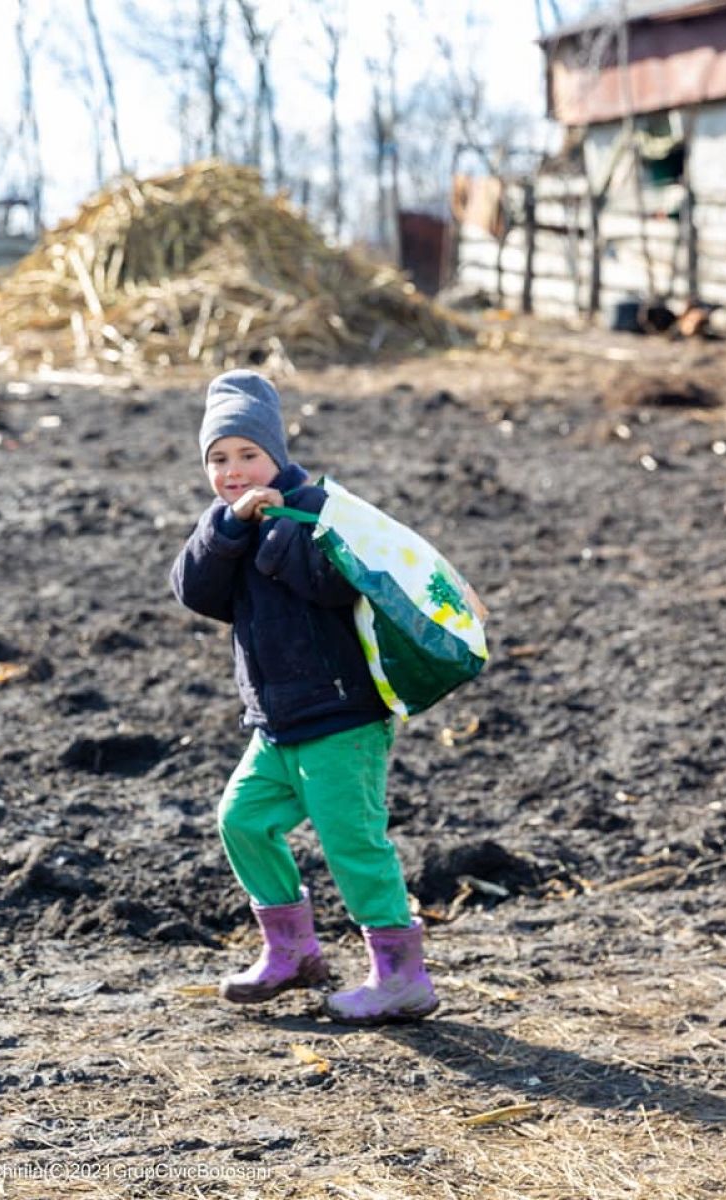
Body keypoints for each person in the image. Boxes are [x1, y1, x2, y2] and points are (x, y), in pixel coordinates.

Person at [170, 369, 438, 1024]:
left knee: (353, 843)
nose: (234, 471)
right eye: (219, 459)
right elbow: (194, 590)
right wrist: (228, 531)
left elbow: (333, 585)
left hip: (342, 717)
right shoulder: (226, 523)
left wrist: (275, 530)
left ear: (277, 453)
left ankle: (401, 975)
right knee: (242, 820)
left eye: (248, 454)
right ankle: (291, 952)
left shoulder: (315, 509)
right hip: (276, 723)